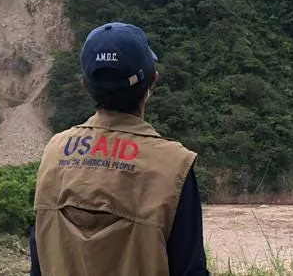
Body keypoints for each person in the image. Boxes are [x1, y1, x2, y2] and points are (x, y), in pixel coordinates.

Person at [29, 22, 209, 276]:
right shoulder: (174, 166)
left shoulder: (54, 152)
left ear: (84, 85)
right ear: (153, 82)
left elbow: (39, 261)